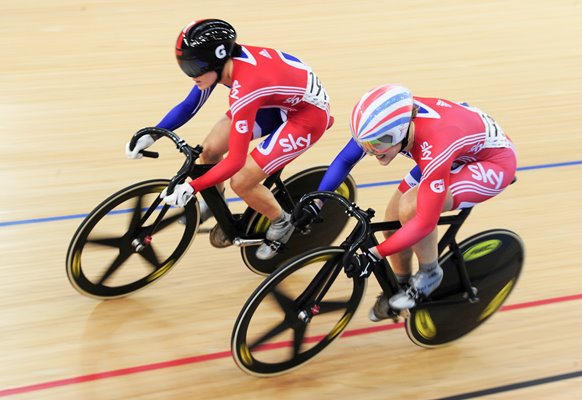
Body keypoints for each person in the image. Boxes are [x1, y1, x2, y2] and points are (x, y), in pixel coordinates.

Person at [294, 84, 517, 321]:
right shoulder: (381, 122)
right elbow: (345, 160)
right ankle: (399, 287)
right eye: (366, 145)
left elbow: (423, 222)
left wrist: (373, 254)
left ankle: (430, 273)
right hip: (452, 145)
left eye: (378, 145)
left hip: (492, 163)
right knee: (391, 224)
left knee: (412, 207)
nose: (372, 152)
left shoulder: (434, 145)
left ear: (400, 131)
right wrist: (316, 203)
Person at [125, 19, 332, 260]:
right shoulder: (220, 66)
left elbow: (235, 161)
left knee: (242, 181)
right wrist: (151, 134)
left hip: (306, 117)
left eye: (195, 68)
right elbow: (190, 105)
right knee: (209, 151)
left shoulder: (245, 88)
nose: (192, 75)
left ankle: (281, 221)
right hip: (276, 100)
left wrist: (193, 187)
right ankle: (217, 203)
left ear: (217, 60)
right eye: (186, 67)